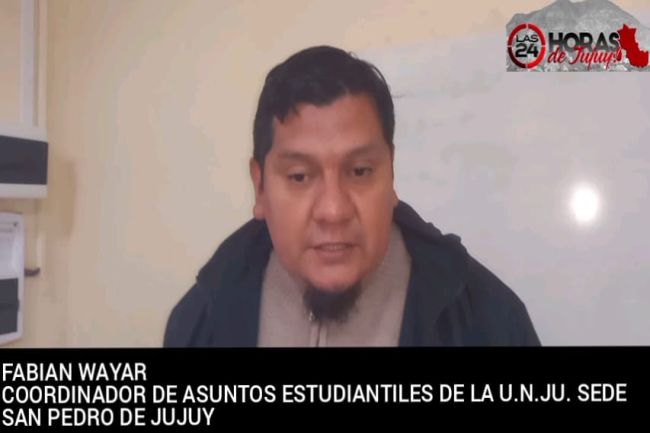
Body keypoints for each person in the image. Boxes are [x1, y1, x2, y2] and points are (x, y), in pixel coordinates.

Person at [164, 46, 540, 347]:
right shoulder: (200, 321)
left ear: (391, 174)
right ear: (260, 186)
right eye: (299, 176)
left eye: (359, 171)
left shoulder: (488, 322)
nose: (334, 210)